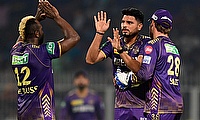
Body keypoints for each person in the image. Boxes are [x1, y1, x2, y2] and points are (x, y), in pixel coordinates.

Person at [10, 0, 80, 119]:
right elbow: (74, 37)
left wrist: (35, 19)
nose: (43, 31)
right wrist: (56, 17)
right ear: (37, 34)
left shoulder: (15, 52)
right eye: (41, 29)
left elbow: (22, 38)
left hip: (23, 113)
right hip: (41, 114)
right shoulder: (43, 52)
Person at [86, 7, 151, 120]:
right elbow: (91, 59)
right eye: (123, 22)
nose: (124, 25)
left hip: (142, 106)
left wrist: (120, 51)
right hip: (121, 107)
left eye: (129, 22)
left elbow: (138, 68)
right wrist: (99, 33)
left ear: (139, 26)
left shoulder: (146, 44)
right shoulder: (114, 43)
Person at [132, 9, 183, 119]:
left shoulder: (152, 45)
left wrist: (129, 78)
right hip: (176, 104)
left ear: (153, 23)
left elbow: (145, 75)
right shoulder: (174, 48)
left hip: (159, 104)